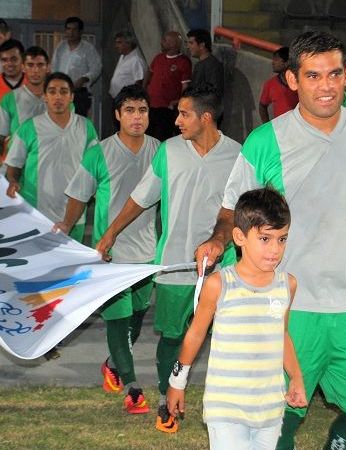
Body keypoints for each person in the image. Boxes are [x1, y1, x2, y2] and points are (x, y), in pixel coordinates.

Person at [195, 31, 346, 450]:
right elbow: (231, 211)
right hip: (286, 308)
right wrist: (217, 241)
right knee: (279, 421)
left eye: (335, 74)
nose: (327, 86)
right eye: (313, 76)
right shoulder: (266, 142)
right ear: (293, 81)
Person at [96, 83, 241, 433]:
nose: (176, 121)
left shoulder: (239, 154)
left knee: (230, 335)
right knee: (174, 337)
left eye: (184, 114)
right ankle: (167, 397)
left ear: (206, 118)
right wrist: (111, 233)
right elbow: (140, 197)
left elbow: (244, 209)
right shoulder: (170, 152)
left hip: (225, 267)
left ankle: (232, 404)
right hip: (176, 264)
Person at [167, 188, 307, 449]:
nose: (275, 250)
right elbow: (195, 334)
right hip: (226, 407)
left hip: (269, 407)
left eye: (282, 239)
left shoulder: (287, 285)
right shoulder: (220, 284)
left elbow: (282, 334)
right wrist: (177, 382)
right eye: (265, 239)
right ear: (239, 237)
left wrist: (296, 377)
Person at [56, 84, 159, 414]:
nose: (137, 116)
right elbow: (78, 196)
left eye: (142, 110)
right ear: (117, 115)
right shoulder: (98, 153)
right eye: (129, 110)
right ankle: (132, 387)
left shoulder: (162, 151)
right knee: (118, 319)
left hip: (148, 255)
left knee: (136, 319)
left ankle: (113, 363)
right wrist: (65, 227)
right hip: (110, 255)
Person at [5, 72, 99, 242]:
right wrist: (12, 180)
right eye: (52, 91)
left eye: (63, 91)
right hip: (36, 213)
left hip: (75, 214)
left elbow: (95, 169)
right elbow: (13, 166)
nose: (58, 97)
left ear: (71, 97)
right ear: (45, 97)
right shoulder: (28, 128)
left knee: (72, 266)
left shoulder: (86, 127)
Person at [0, 46, 50, 170]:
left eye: (40, 65)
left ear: (47, 67)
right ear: (23, 67)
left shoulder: (60, 99)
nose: (35, 70)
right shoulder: (10, 99)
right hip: (19, 166)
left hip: (51, 163)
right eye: (30, 65)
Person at [143, 31, 191, 142]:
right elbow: (149, 73)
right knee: (148, 138)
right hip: (151, 106)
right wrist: (144, 89)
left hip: (166, 109)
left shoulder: (183, 62)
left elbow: (185, 86)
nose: (162, 42)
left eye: (165, 40)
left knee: (161, 138)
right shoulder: (158, 58)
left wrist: (179, 102)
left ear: (173, 43)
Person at [51, 16, 102, 116]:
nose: (71, 32)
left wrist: (84, 78)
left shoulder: (88, 48)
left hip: (79, 93)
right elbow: (54, 67)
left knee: (78, 121)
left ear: (80, 31)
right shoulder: (61, 47)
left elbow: (96, 68)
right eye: (68, 29)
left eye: (74, 29)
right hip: (60, 91)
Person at [186, 29, 224, 124]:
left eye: (191, 43)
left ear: (202, 45)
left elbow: (213, 91)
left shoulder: (212, 65)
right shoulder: (200, 64)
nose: (188, 47)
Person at [259, 46, 297, 123]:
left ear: (287, 63)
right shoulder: (270, 84)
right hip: (280, 129)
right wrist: (267, 126)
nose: (273, 62)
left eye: (276, 59)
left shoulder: (300, 82)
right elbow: (262, 106)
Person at [108, 30, 146, 99]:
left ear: (129, 43)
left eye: (119, 43)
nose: (116, 46)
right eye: (116, 43)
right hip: (118, 99)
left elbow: (139, 81)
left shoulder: (136, 59)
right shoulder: (122, 56)